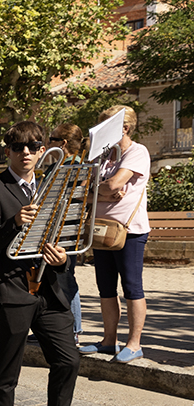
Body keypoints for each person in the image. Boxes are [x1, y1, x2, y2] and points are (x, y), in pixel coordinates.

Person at [0, 120, 98, 406]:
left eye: (32, 147)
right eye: (17, 147)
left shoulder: (51, 185)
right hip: (12, 288)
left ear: (43, 150)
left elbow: (69, 231)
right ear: (7, 151)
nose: (25, 153)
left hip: (50, 287)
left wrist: (65, 257)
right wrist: (13, 223)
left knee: (68, 359)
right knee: (8, 368)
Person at [81, 105, 150, 364]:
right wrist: (106, 191)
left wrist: (106, 189)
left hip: (128, 232)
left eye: (108, 126)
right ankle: (109, 341)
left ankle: (134, 343)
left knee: (132, 287)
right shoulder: (102, 156)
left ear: (125, 127)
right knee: (105, 288)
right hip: (101, 230)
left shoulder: (137, 151)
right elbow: (85, 189)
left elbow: (113, 184)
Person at [47, 124, 85, 344]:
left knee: (66, 278)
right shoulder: (60, 166)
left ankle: (73, 332)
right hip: (57, 228)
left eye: (51, 139)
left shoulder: (75, 168)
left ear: (62, 144)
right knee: (58, 278)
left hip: (65, 230)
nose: (47, 144)